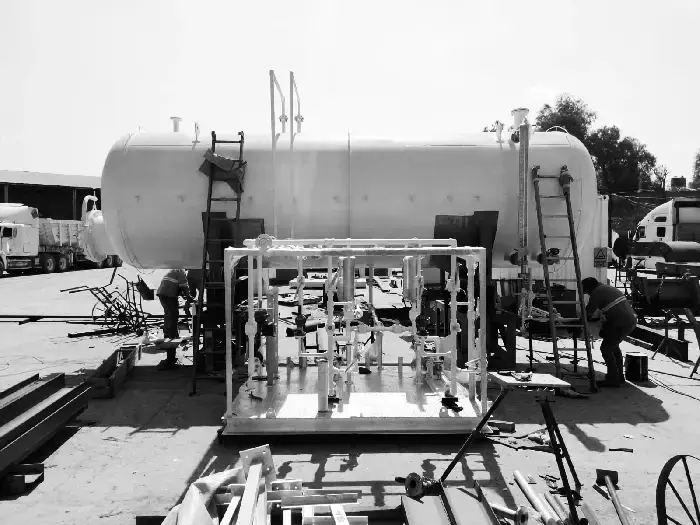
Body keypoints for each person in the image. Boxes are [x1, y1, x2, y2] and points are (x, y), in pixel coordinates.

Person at [582, 277, 637, 388]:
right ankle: (619, 376)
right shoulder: (606, 288)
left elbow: (588, 312)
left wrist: (576, 322)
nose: (587, 294)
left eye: (586, 292)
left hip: (621, 322)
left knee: (606, 349)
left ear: (589, 288)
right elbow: (609, 310)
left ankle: (613, 379)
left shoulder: (597, 292)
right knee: (613, 347)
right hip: (628, 321)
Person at [157, 269, 194, 370]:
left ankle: (169, 332)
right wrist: (188, 296)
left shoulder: (175, 270)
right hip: (168, 295)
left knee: (169, 314)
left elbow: (177, 286)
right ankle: (171, 334)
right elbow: (184, 286)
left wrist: (185, 296)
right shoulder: (181, 271)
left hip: (163, 294)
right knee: (172, 315)